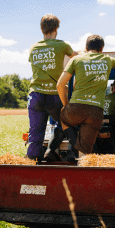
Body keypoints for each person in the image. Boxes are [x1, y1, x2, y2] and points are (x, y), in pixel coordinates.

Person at [57, 35, 115, 157]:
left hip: (76, 108)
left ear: (86, 47)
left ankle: (75, 144)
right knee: (84, 153)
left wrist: (66, 106)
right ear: (102, 48)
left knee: (63, 117)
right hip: (96, 112)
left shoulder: (76, 60)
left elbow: (60, 85)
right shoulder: (107, 60)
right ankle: (80, 150)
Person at [26, 14, 78, 162]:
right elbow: (77, 58)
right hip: (54, 95)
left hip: (35, 95)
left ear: (42, 29)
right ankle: (62, 152)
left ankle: (32, 161)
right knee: (66, 123)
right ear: (56, 28)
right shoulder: (62, 45)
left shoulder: (33, 47)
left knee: (35, 132)